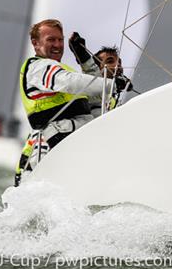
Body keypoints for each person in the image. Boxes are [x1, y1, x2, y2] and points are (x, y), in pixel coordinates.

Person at [15, 19, 128, 184]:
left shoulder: (62, 69)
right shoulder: (38, 67)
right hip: (57, 143)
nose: (57, 44)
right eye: (51, 40)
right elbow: (70, 82)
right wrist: (111, 84)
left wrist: (83, 58)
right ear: (36, 43)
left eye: (60, 40)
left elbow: (97, 97)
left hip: (74, 141)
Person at [67, 33, 132, 117]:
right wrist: (82, 54)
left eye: (119, 62)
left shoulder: (114, 99)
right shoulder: (92, 87)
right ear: (98, 67)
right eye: (110, 61)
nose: (118, 65)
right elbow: (91, 73)